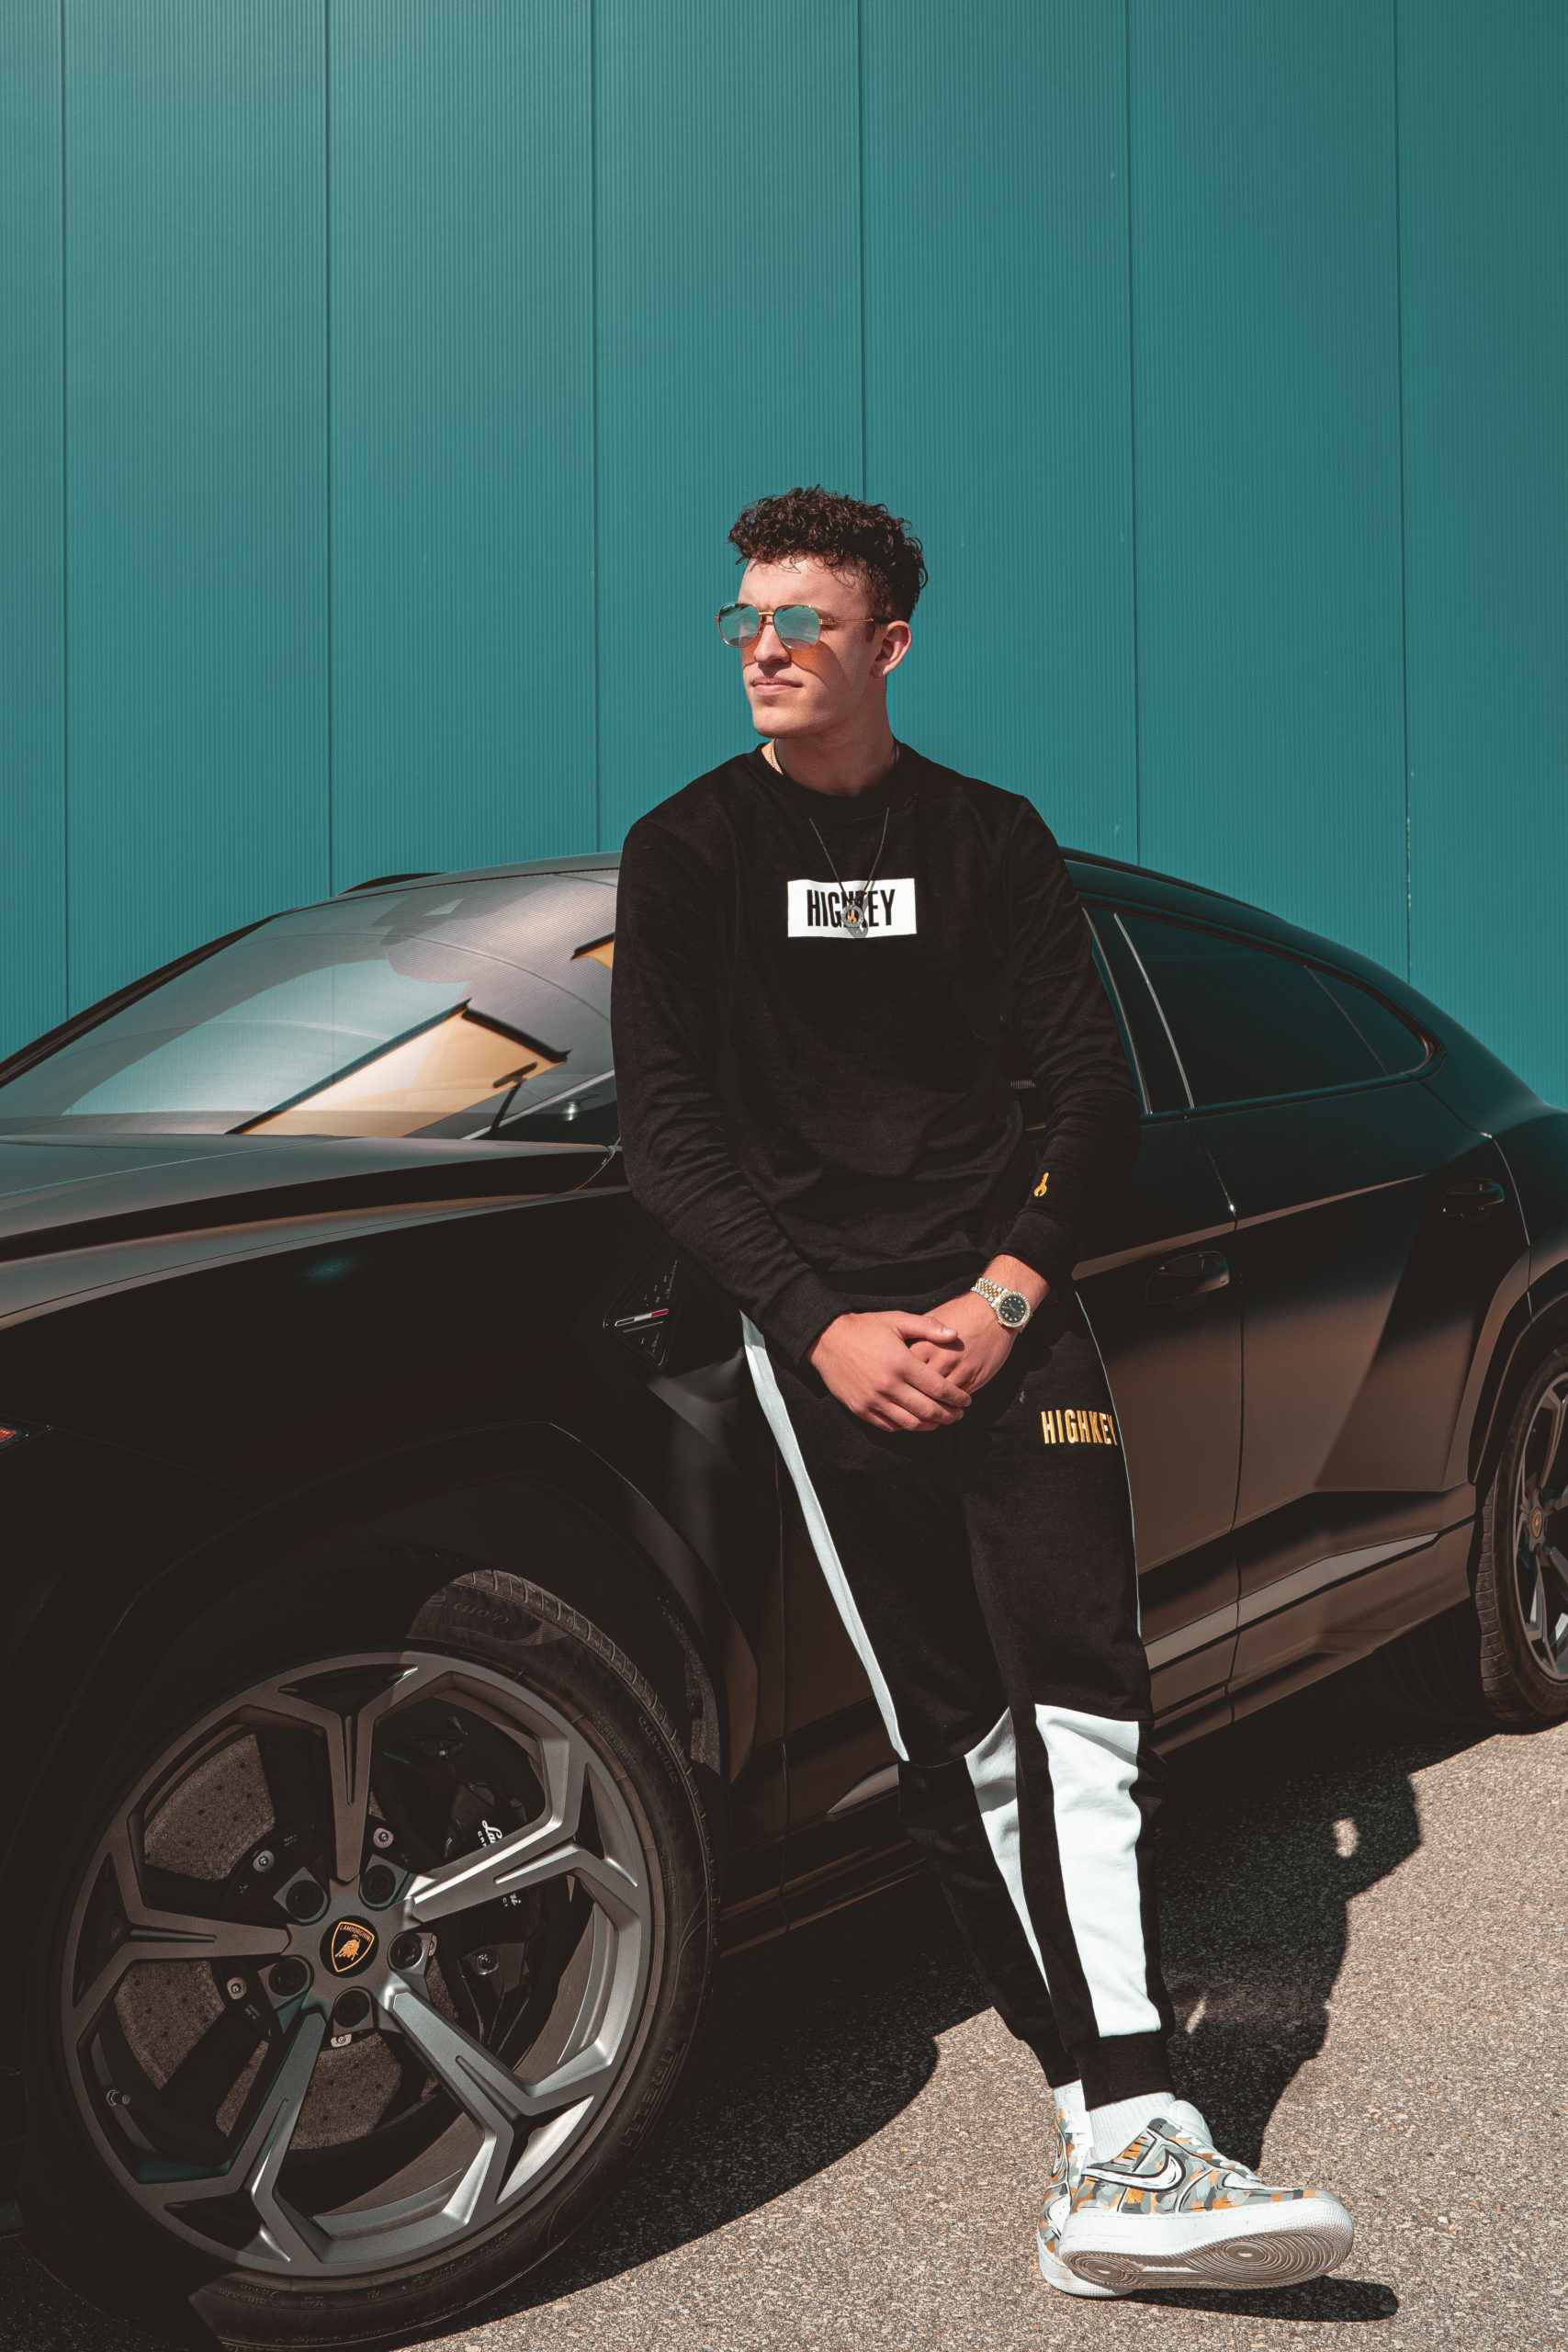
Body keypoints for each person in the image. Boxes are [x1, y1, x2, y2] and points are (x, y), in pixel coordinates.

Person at [611, 485, 1352, 2296]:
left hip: (1014, 1321)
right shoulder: (687, 850)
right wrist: (818, 1323)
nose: (764, 646)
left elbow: (1089, 1090)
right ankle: (1111, 2121)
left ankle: (1131, 2127)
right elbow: (667, 1133)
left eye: (802, 619)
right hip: (827, 1347)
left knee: (1082, 1694)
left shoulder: (987, 838)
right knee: (955, 1731)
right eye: (744, 618)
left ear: (888, 644)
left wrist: (1003, 1292)